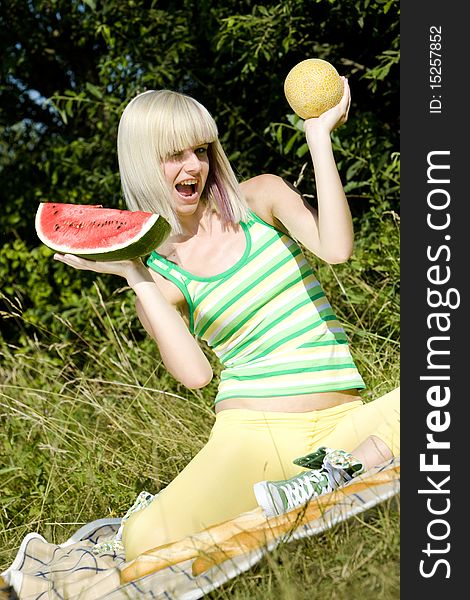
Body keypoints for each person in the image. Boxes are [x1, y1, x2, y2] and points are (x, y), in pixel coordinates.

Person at [53, 81, 400, 562]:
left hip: (349, 426)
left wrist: (318, 138)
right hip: (253, 437)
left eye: (200, 149)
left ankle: (327, 479)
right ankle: (301, 494)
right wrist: (134, 271)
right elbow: (196, 376)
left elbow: (337, 249)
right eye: (174, 154)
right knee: (143, 542)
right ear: (141, 163)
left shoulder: (261, 198)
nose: (193, 165)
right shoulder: (162, 277)